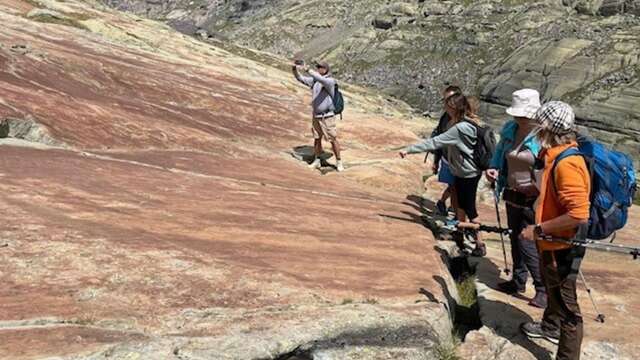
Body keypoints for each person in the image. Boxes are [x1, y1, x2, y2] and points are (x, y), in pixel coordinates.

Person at [519, 101, 590, 360]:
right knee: (555, 292)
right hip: (555, 243)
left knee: (569, 310)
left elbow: (578, 214)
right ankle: (549, 327)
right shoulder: (558, 155)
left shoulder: (567, 163)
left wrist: (538, 230)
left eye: (539, 124)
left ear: (547, 128)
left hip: (562, 246)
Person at [400, 93, 487, 256]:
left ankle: (480, 244)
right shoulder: (468, 121)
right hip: (467, 172)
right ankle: (459, 235)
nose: (444, 109)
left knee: (470, 210)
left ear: (453, 107)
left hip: (467, 174)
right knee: (461, 207)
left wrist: (409, 149)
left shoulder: (460, 128)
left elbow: (435, 142)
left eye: (446, 106)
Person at [485, 89, 546, 308]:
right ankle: (518, 281)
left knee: (526, 240)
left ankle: (542, 288)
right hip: (511, 191)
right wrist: (493, 168)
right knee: (514, 236)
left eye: (522, 114)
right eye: (517, 114)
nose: (518, 118)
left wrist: (539, 188)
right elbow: (501, 153)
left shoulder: (543, 135)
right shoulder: (510, 129)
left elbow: (548, 167)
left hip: (534, 197)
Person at [292, 60, 344, 172]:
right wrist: (294, 70)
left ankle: (339, 161)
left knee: (332, 139)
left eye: (321, 67)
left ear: (326, 69)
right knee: (317, 138)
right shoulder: (315, 81)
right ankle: (317, 159)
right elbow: (301, 79)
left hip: (327, 116)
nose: (319, 69)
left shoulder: (330, 81)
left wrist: (307, 70)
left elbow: (321, 79)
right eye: (318, 67)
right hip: (316, 115)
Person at [430, 85, 462, 216]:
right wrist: (436, 161)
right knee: (454, 187)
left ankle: (445, 204)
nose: (446, 103)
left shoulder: (463, 118)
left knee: (456, 187)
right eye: (445, 100)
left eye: (449, 99)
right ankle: (454, 213)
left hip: (460, 161)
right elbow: (439, 139)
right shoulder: (445, 118)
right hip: (447, 159)